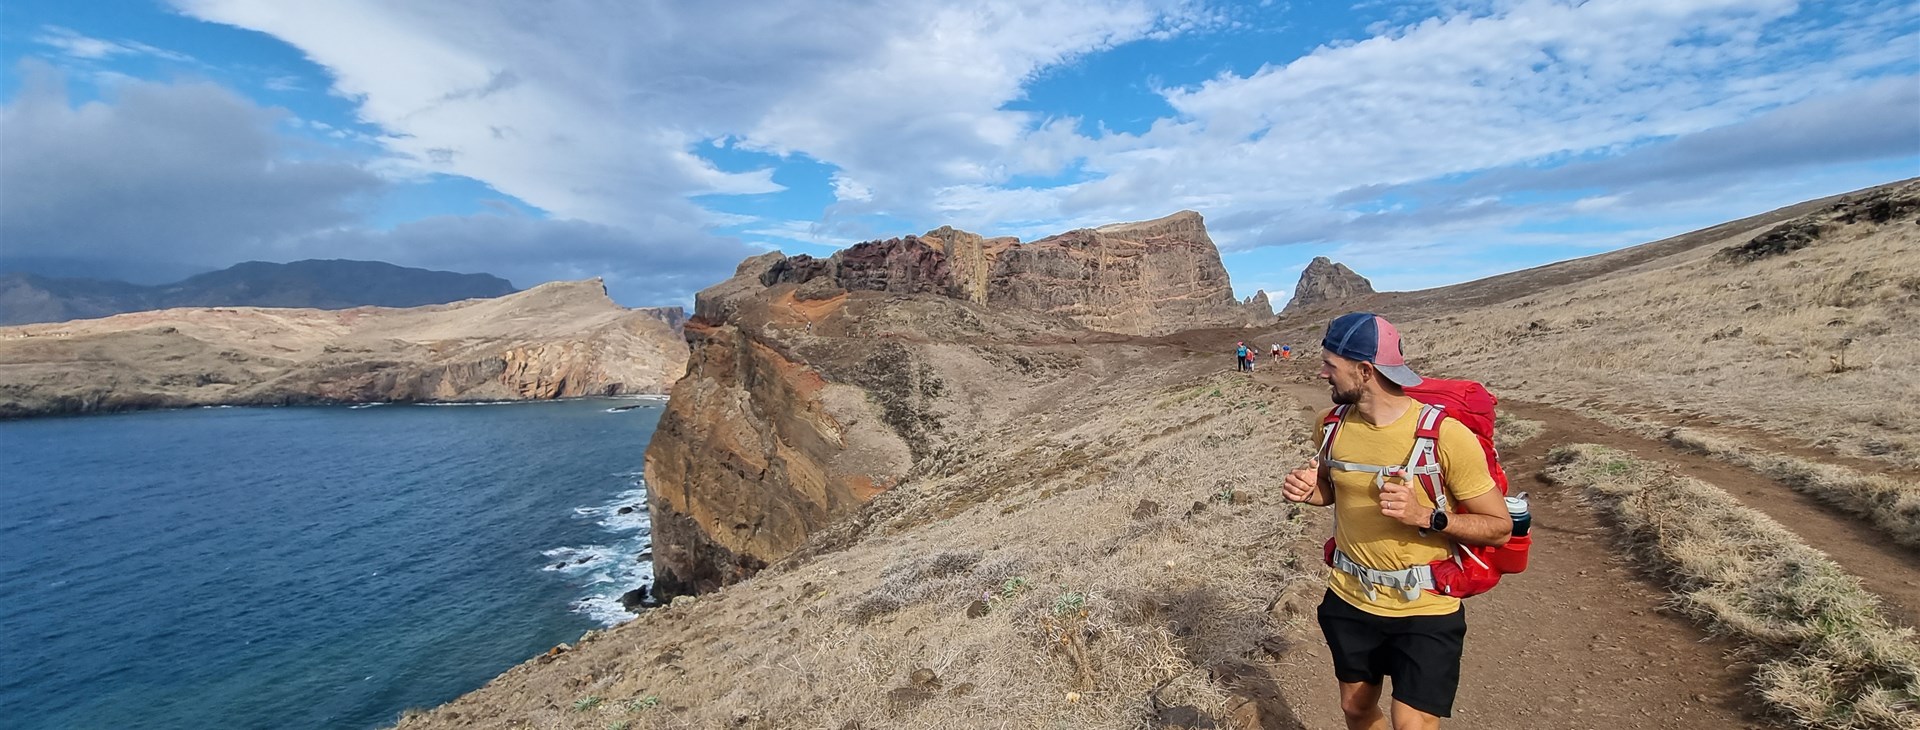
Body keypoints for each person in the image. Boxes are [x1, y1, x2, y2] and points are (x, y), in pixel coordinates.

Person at [1280, 312, 1510, 730]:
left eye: (1331, 365)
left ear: (1365, 370)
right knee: (1356, 709)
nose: (1322, 373)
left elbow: (1498, 527)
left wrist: (1426, 515)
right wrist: (1310, 493)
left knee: (1412, 724)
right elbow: (1331, 491)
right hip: (1350, 597)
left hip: (1426, 605)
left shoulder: (1445, 435)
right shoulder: (1330, 426)